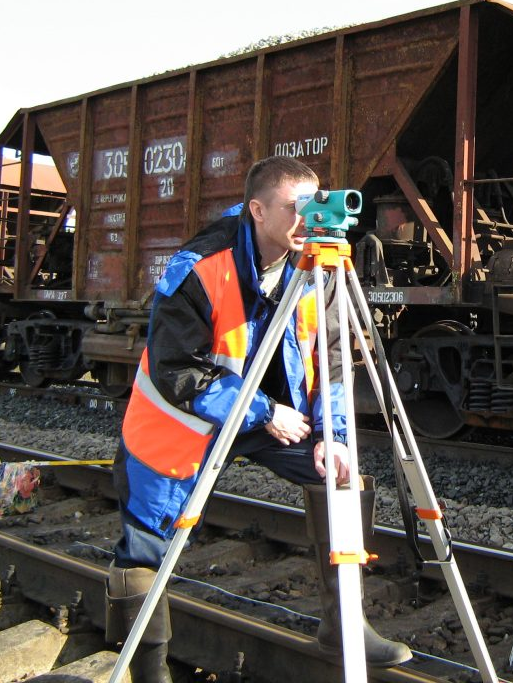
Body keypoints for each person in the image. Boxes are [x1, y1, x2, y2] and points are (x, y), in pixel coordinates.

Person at [106, 155, 411, 682]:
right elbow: (176, 369)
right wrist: (263, 411)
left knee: (342, 477)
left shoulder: (319, 261)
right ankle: (147, 664)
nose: (309, 219)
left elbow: (333, 358)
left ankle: (344, 625)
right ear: (256, 210)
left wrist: (333, 436)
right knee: (145, 540)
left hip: (282, 416)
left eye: (315, 205)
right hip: (188, 420)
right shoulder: (200, 265)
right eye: (296, 208)